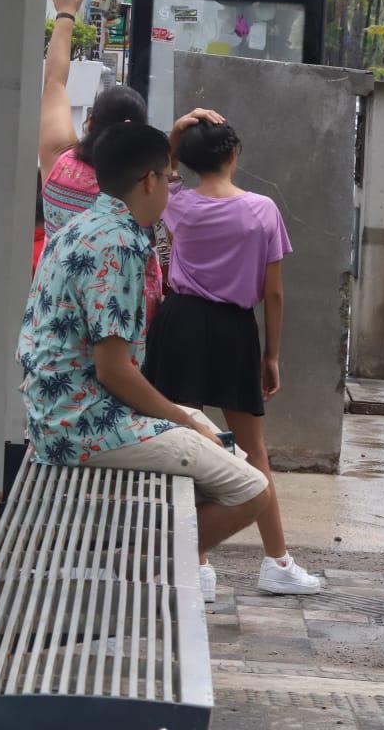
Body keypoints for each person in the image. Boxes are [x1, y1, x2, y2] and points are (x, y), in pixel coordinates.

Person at [18, 124, 269, 593]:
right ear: (150, 181)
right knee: (251, 489)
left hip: (55, 413)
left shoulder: (81, 224)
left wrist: (188, 422)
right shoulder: (121, 244)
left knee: (215, 436)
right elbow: (113, 371)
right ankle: (131, 574)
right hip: (81, 424)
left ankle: (138, 560)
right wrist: (183, 422)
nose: (174, 188)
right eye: (171, 178)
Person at [142, 119, 321, 596]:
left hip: (178, 326)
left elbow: (164, 168)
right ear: (234, 154)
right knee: (254, 449)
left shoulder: (176, 201)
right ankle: (277, 561)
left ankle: (197, 563)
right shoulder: (262, 210)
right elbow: (275, 294)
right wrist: (273, 355)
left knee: (183, 441)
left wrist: (178, 132)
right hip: (234, 331)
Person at [39, 0, 214, 323]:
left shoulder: (58, 161)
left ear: (89, 124)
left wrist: (65, 13)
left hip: (54, 320)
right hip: (122, 331)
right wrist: (175, 142)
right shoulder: (136, 190)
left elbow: (55, 80)